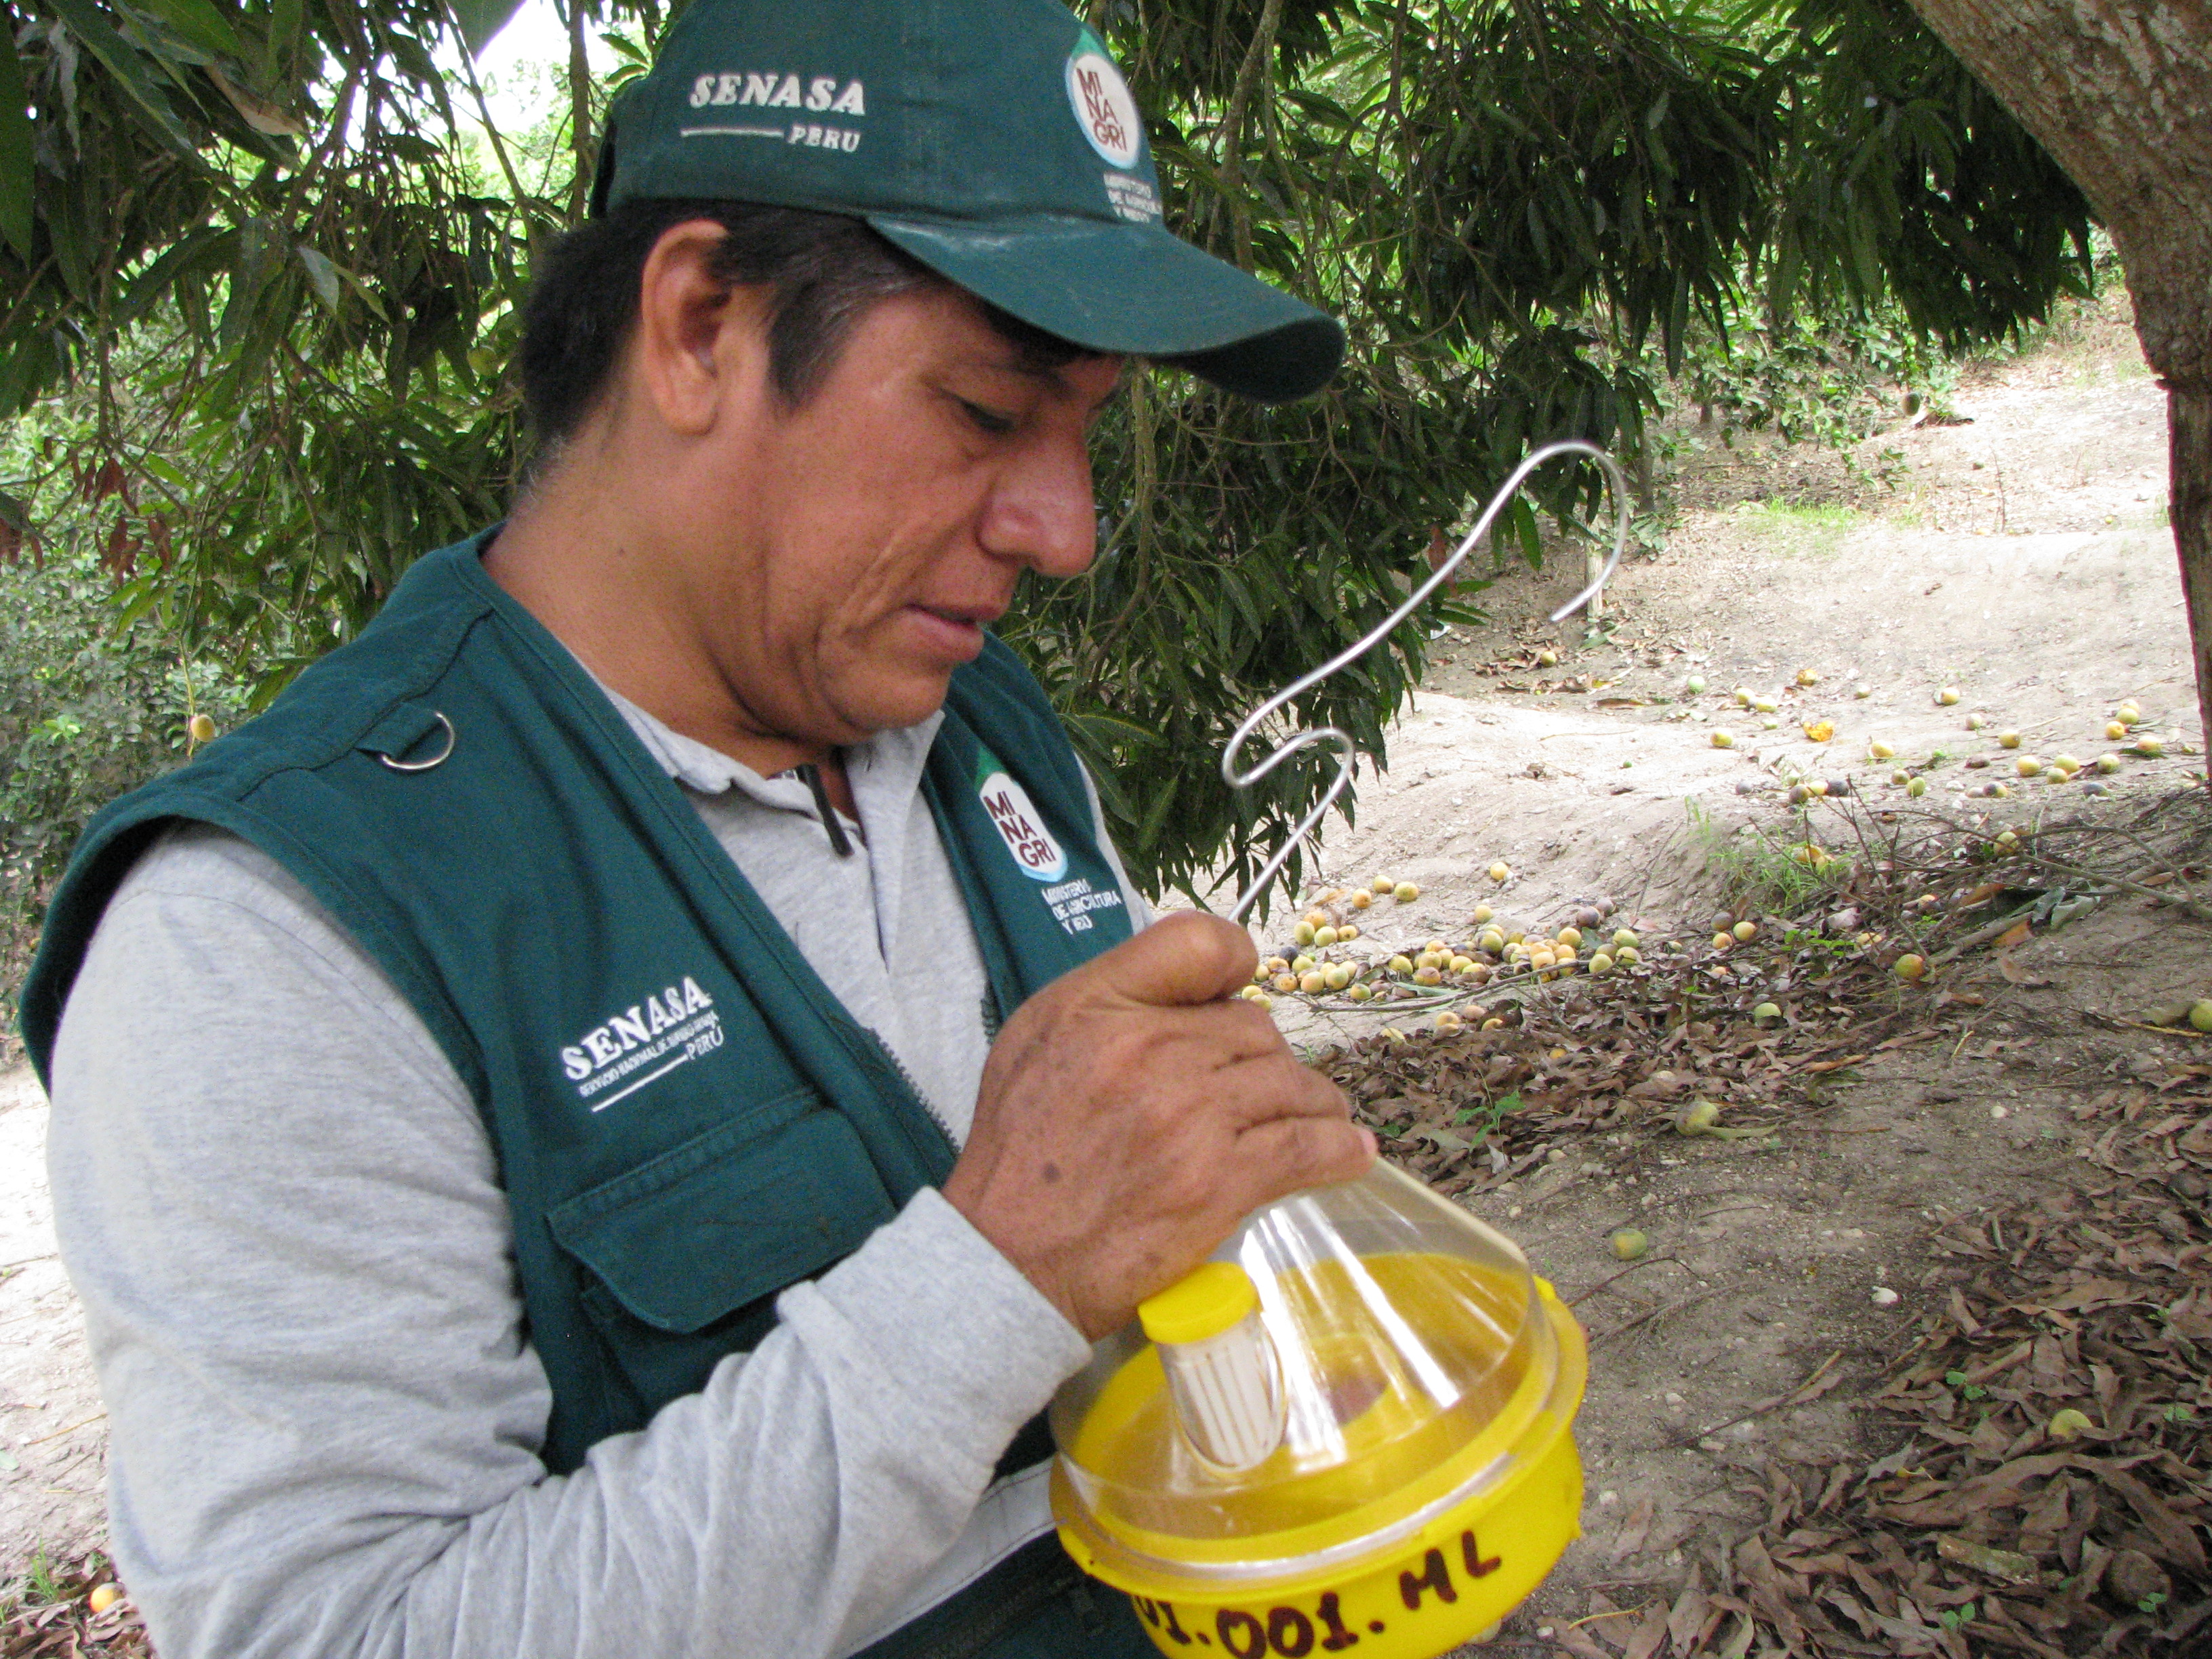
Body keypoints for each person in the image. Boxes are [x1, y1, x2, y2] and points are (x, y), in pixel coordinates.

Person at [20, 1, 1375, 1656]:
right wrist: (989, 1280)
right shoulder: (279, 929)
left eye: (1087, 428)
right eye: (984, 411)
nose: (1065, 529)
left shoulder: (970, 724)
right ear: (697, 327)